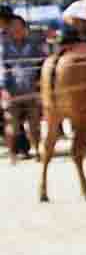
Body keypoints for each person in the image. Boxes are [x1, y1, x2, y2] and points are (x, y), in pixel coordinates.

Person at [0, 10, 44, 161]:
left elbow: (41, 65)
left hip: (31, 90)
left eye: (19, 27)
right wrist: (4, 89)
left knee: (34, 124)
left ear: (25, 29)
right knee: (12, 124)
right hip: (12, 92)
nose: (17, 30)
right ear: (9, 30)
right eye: (13, 27)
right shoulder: (4, 47)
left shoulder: (33, 46)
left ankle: (38, 151)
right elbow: (2, 69)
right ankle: (12, 153)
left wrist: (39, 86)